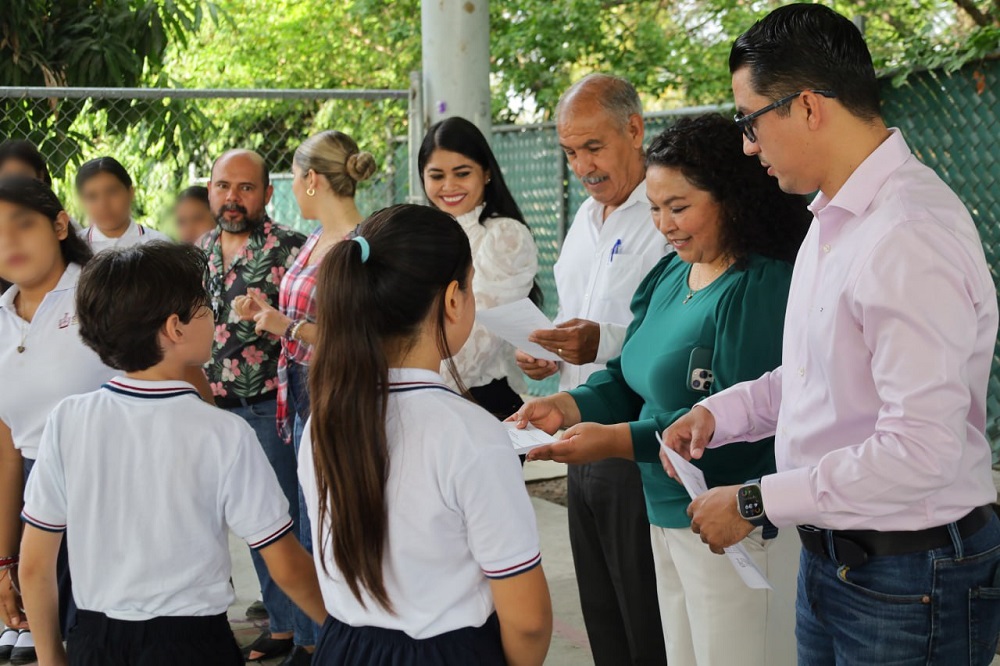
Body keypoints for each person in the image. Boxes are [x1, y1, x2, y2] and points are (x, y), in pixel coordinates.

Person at [660, 5, 1000, 665]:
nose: (748, 146)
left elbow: (921, 449)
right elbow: (821, 374)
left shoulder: (907, 234)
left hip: (908, 578)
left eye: (750, 121)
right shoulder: (837, 217)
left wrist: (756, 500)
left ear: (809, 107)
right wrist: (721, 414)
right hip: (841, 561)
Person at [516, 114, 811, 665]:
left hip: (735, 523)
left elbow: (740, 425)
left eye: (678, 207)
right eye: (654, 208)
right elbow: (627, 377)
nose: (665, 226)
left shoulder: (761, 286)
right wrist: (568, 404)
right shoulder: (671, 274)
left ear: (732, 200)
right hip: (665, 512)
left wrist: (612, 441)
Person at [18, 241, 327, 666]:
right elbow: (286, 565)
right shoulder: (224, 433)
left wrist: (52, 659)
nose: (214, 318)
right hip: (193, 644)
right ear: (175, 328)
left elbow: (35, 567)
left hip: (95, 640)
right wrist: (343, 633)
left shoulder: (68, 421)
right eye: (205, 308)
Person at [298, 204, 552, 665]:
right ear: (454, 299)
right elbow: (528, 619)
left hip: (343, 647)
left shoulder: (322, 421)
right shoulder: (471, 433)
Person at [516, 73, 668, 666]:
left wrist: (599, 342)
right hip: (575, 434)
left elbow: (679, 331)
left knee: (644, 611)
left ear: (634, 129)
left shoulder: (666, 213)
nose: (582, 166)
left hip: (634, 437)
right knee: (601, 606)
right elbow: (575, 314)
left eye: (593, 147)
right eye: (570, 152)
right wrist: (549, 349)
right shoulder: (585, 218)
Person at [231, 131, 376, 658]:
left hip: (335, 389)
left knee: (328, 522)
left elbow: (362, 332)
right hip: (300, 386)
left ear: (312, 179)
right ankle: (314, 642)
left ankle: (332, 640)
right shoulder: (318, 237)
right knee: (307, 518)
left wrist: (285, 326)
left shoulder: (362, 244)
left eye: (294, 178)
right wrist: (271, 316)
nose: (294, 187)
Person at [198, 149, 310, 665]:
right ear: (210, 190)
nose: (232, 197)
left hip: (268, 408)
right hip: (213, 410)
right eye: (223, 186)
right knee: (250, 524)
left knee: (284, 521)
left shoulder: (291, 248)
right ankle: (282, 626)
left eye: (245, 187)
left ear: (267, 192)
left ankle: (309, 636)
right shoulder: (199, 251)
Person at [0, 177, 114, 666]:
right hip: (39, 503)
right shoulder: (0, 321)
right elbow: (9, 454)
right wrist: (5, 558)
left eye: (23, 224)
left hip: (118, 490)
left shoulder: (103, 294)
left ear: (60, 225)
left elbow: (181, 381)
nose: (9, 241)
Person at [419, 116, 540, 417]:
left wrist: (411, 391)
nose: (449, 186)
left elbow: (479, 338)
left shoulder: (504, 235)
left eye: (462, 173)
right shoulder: (423, 233)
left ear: (486, 173)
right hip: (428, 394)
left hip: (479, 401)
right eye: (436, 175)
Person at [75, 157, 168, 253]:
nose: (103, 204)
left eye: (112, 192)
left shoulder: (158, 246)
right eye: (92, 197)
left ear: (131, 192)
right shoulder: (75, 248)